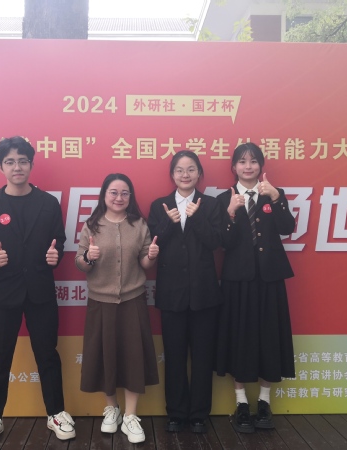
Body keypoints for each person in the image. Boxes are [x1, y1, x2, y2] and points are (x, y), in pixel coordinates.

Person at [0, 136, 75, 448]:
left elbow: (58, 240)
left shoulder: (48, 203)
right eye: (10, 162)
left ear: (31, 164)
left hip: (40, 291)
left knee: (47, 354)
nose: (17, 167)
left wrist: (56, 256)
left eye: (23, 161)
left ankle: (56, 414)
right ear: (0, 167)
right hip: (3, 293)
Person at [215, 142, 296, 433]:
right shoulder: (223, 198)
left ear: (261, 166)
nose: (248, 166)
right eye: (242, 161)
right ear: (233, 167)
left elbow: (287, 228)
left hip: (269, 278)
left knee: (269, 337)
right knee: (240, 337)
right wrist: (230, 213)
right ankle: (241, 403)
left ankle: (264, 401)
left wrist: (276, 198)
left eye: (253, 161)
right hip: (238, 280)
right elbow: (220, 243)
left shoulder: (273, 194)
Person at [75, 173, 159, 444]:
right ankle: (112, 409)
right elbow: (80, 263)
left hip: (133, 300)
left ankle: (131, 416)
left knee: (134, 357)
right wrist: (88, 257)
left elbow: (145, 263)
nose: (119, 198)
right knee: (105, 355)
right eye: (113, 192)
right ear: (104, 195)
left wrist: (151, 256)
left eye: (124, 193)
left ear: (130, 197)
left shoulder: (139, 224)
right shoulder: (92, 225)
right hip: (101, 302)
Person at [147, 150, 222, 434]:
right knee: (174, 356)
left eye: (191, 169)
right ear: (172, 174)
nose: (185, 174)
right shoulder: (159, 205)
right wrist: (169, 222)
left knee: (203, 357)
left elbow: (215, 242)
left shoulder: (211, 204)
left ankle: (199, 413)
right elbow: (153, 243)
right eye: (179, 170)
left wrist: (197, 218)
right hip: (171, 293)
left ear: (199, 173)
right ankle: (176, 413)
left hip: (204, 293)